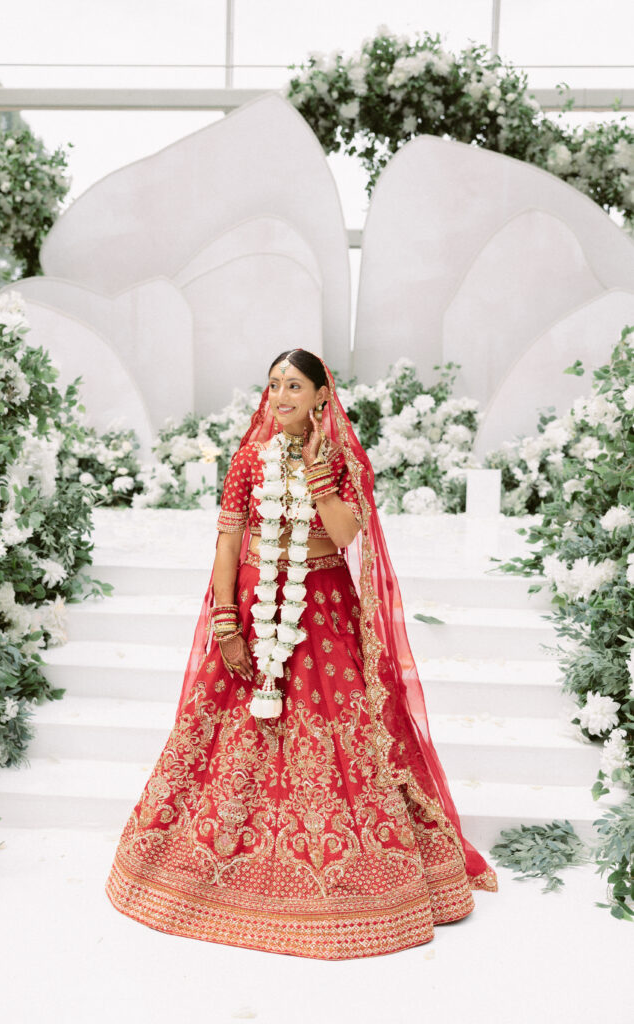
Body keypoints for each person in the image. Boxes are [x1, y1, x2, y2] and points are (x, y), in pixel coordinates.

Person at [105, 348, 498, 960]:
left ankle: (345, 881)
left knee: (343, 738)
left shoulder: (347, 461)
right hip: (255, 614)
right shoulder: (247, 461)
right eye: (273, 385)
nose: (281, 395)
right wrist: (227, 620)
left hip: (323, 610)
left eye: (294, 385)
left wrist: (317, 470)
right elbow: (228, 544)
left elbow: (342, 535)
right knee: (232, 736)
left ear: (321, 395)